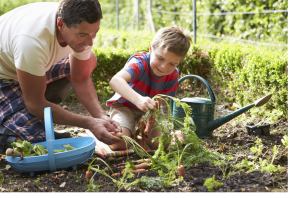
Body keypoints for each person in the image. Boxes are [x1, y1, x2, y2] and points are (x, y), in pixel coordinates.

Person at [0, 0, 122, 154]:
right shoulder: (33, 41)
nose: (90, 41)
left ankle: (34, 116)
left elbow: (81, 78)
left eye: (94, 33)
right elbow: (35, 103)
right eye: (83, 35)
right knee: (38, 144)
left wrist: (101, 117)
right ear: (60, 24)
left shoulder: (79, 26)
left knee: (89, 59)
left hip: (28, 66)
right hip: (4, 77)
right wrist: (89, 123)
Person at [106, 26, 192, 150]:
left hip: (149, 111)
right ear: (151, 49)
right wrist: (138, 100)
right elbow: (115, 81)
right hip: (124, 106)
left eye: (172, 64)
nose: (163, 67)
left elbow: (158, 102)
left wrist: (149, 118)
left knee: (161, 144)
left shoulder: (173, 75)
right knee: (118, 143)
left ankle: (136, 134)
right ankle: (122, 129)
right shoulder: (139, 63)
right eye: (160, 58)